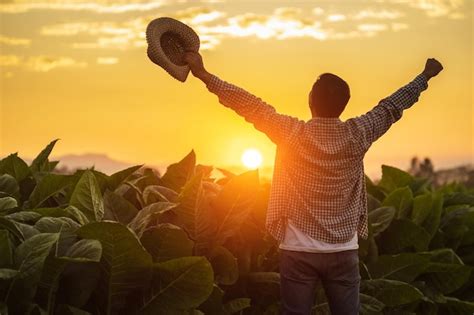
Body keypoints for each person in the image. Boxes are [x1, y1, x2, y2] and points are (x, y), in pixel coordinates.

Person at [183, 51, 443, 315]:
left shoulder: (291, 133)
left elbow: (249, 104)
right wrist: (425, 76)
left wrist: (204, 75)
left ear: (310, 101)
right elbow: (391, 107)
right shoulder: (359, 132)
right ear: (344, 104)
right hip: (343, 250)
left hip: (298, 251)